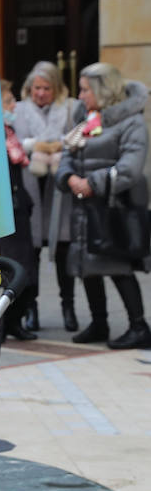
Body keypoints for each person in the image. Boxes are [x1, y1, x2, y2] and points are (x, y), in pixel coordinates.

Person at [58, 62, 150, 349]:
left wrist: (93, 183)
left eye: (85, 89)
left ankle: (139, 326)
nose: (81, 95)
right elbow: (67, 153)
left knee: (118, 266)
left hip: (114, 207)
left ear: (103, 90)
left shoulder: (131, 121)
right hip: (85, 207)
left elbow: (131, 167)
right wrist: (69, 177)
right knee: (88, 264)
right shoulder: (85, 118)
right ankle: (99, 323)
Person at [13, 61, 79, 332]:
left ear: (56, 88)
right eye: (37, 88)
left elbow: (77, 136)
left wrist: (59, 145)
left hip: (59, 185)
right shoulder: (19, 109)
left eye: (46, 88)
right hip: (30, 183)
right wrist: (33, 145)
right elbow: (15, 140)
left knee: (63, 249)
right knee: (32, 251)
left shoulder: (70, 108)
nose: (41, 93)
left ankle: (68, 307)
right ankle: (32, 308)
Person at [1, 80, 38, 340]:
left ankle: (15, 320)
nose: (14, 105)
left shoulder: (10, 134)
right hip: (4, 213)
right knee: (10, 272)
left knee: (27, 273)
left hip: (19, 210)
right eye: (8, 101)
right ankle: (1, 324)